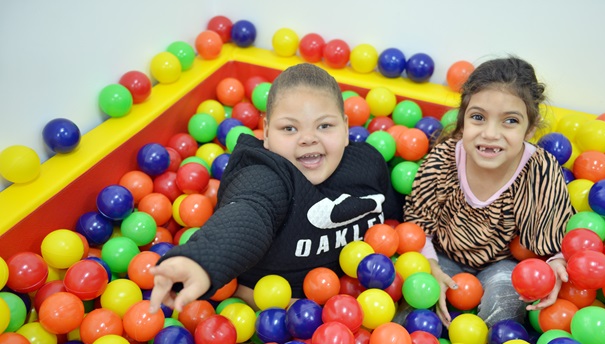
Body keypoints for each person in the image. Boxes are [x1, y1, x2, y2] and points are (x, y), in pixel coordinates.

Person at [149, 63, 403, 314]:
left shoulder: (368, 164)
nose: (308, 138)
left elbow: (400, 220)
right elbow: (250, 211)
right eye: (289, 128)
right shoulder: (265, 174)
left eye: (325, 126)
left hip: (361, 305)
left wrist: (428, 258)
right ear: (267, 134)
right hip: (268, 314)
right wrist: (200, 261)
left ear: (346, 129)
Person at [404, 56, 575, 328]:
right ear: (463, 120)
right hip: (443, 255)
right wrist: (430, 266)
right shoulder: (445, 157)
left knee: (503, 311)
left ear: (530, 129)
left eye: (510, 121)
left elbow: (555, 233)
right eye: (478, 117)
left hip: (504, 263)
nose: (491, 133)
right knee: (414, 308)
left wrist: (554, 265)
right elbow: (417, 223)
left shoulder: (539, 169)